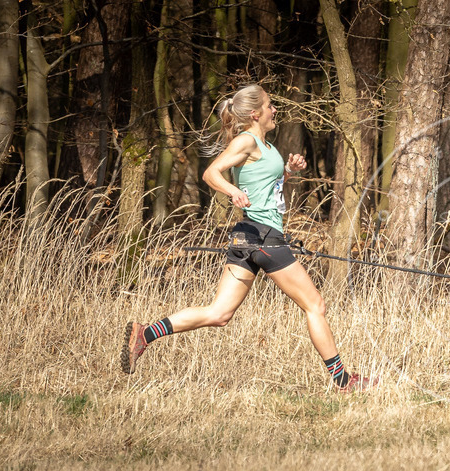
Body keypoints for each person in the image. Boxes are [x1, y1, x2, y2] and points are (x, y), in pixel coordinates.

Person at [122, 84, 375, 392]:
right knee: (315, 305)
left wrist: (288, 172)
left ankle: (144, 334)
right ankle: (344, 382)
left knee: (219, 314)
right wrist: (232, 191)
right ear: (256, 113)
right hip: (262, 236)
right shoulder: (246, 140)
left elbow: (266, 188)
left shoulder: (265, 146)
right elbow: (211, 173)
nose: (275, 110)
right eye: (270, 106)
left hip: (248, 236)